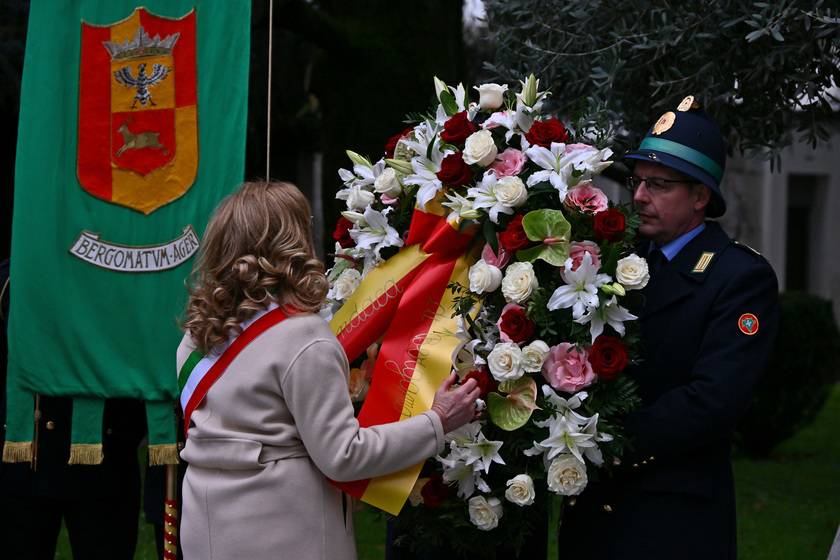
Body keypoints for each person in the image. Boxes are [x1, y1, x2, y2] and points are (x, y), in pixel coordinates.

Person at [176, 180, 482, 560]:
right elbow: (343, 456)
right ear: (292, 241)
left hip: (204, 527)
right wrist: (437, 421)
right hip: (284, 534)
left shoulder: (197, 336)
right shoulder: (303, 337)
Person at [557, 97, 780, 559]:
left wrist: (602, 440)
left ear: (701, 197)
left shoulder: (738, 277)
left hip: (670, 521)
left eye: (659, 185)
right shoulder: (617, 260)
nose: (639, 197)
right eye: (638, 182)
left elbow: (714, 401)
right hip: (593, 513)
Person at [0, 258, 148, 560]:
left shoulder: (127, 274)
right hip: (24, 467)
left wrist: (123, 435)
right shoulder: (11, 276)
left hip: (106, 461)